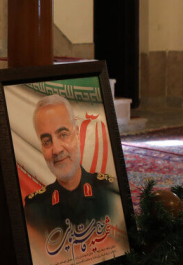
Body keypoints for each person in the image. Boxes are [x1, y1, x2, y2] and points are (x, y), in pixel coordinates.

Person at [24, 95, 122, 236]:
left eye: (63, 135)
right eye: (47, 141)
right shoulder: (34, 209)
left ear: (77, 134)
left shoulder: (109, 192)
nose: (57, 150)